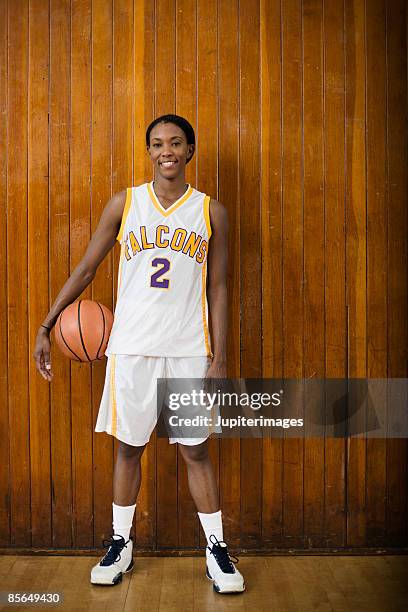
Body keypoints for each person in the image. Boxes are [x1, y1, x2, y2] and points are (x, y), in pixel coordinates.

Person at [33, 114, 245, 594]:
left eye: (175, 142)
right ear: (148, 151)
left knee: (195, 450)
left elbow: (219, 286)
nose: (165, 150)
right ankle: (120, 544)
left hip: (189, 350)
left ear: (190, 150)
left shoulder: (211, 212)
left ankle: (216, 552)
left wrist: (221, 357)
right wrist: (48, 324)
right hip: (130, 349)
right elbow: (87, 269)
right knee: (129, 447)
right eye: (156, 143)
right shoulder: (125, 203)